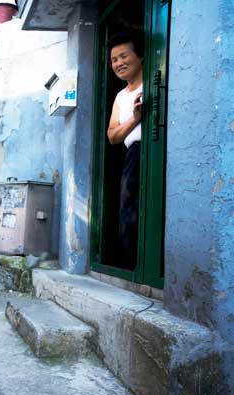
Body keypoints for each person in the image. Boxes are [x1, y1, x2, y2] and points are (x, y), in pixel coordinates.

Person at [106, 31, 144, 270]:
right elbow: (112, 136)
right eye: (113, 59)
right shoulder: (121, 96)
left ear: (139, 56)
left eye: (123, 56)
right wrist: (135, 119)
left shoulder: (155, 80)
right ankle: (132, 267)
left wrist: (125, 126)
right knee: (128, 211)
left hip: (154, 151)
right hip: (133, 154)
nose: (118, 63)